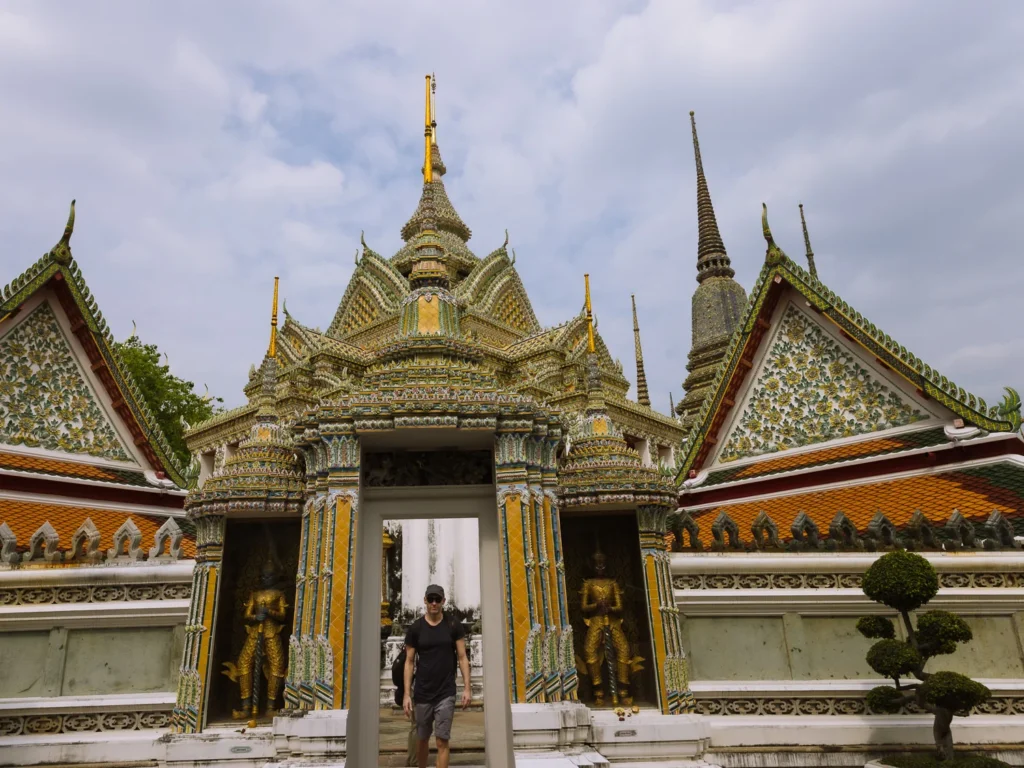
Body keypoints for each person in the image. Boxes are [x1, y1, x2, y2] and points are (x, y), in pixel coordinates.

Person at [403, 584, 471, 768]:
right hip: (422, 692)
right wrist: (407, 694)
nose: (434, 603)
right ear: (425, 601)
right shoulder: (416, 628)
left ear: (443, 601)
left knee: (442, 740)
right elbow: (409, 662)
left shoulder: (453, 625)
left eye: (437, 599)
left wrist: (467, 688)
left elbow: (462, 657)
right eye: (431, 599)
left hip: (445, 692)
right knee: (422, 739)